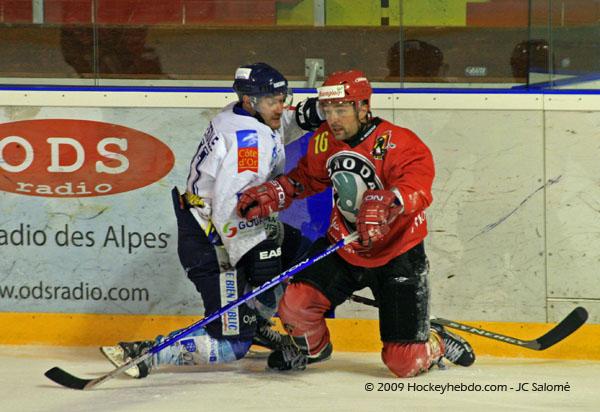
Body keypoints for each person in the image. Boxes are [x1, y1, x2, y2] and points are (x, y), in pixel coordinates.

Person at [236, 70, 476, 377]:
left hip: (398, 251)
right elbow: (308, 178)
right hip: (345, 244)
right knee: (295, 306)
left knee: (403, 363)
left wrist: (391, 200)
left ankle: (434, 341)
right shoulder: (325, 140)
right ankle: (311, 350)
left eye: (341, 110)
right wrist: (278, 191)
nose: (333, 119)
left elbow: (418, 185)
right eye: (328, 110)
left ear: (363, 108)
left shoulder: (398, 142)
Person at [100, 62, 323, 378]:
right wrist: (256, 251)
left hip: (216, 227)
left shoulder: (238, 114)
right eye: (273, 100)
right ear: (250, 101)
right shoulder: (248, 144)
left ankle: (254, 323)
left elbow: (276, 128)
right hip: (213, 242)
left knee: (298, 256)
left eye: (281, 98)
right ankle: (146, 353)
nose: (280, 106)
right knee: (231, 346)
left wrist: (310, 114)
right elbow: (232, 207)